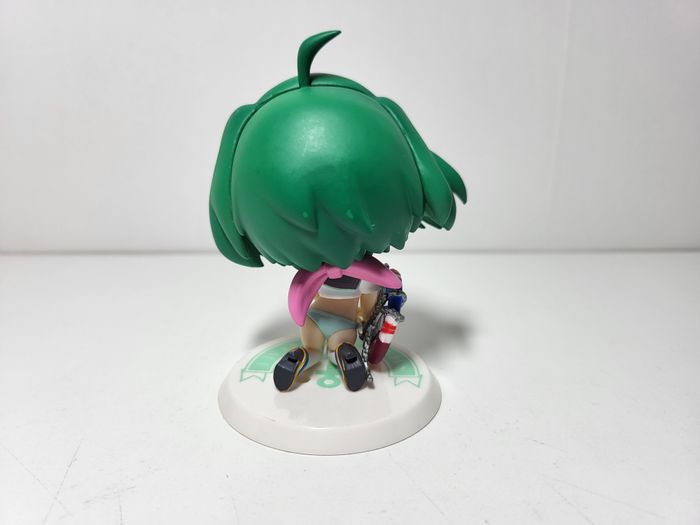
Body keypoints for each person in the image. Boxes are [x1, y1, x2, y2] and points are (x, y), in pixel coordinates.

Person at [209, 30, 466, 391]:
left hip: (315, 316)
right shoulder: (354, 272)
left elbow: (303, 297)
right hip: (337, 318)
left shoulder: (317, 274)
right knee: (336, 341)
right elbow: (370, 290)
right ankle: (336, 355)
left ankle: (311, 355)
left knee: (314, 341)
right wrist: (383, 291)